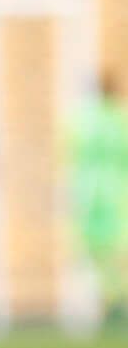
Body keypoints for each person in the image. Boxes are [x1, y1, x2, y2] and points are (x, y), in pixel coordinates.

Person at [68, 68, 128, 328]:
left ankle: (116, 302)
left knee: (99, 251)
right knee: (110, 251)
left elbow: (68, 155)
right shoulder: (120, 119)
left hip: (92, 195)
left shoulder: (82, 121)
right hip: (115, 193)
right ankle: (116, 303)